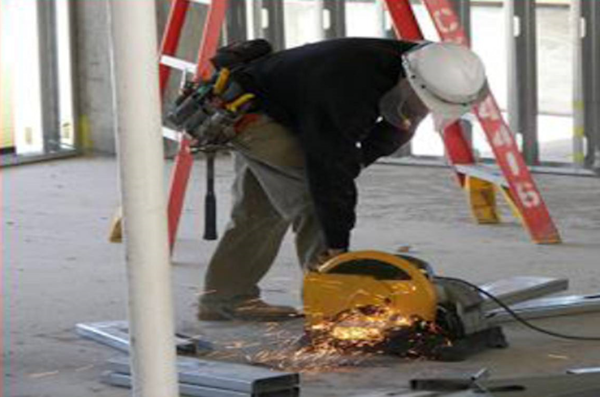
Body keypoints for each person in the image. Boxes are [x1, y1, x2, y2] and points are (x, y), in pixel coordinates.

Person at [197, 37, 488, 321]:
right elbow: (328, 168)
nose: (425, 108)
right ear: (411, 80)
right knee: (314, 201)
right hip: (253, 114)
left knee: (261, 210)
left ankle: (225, 299)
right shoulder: (347, 91)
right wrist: (337, 243)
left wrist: (355, 162)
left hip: (276, 103)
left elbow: (398, 125)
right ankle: (332, 317)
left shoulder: (427, 66)